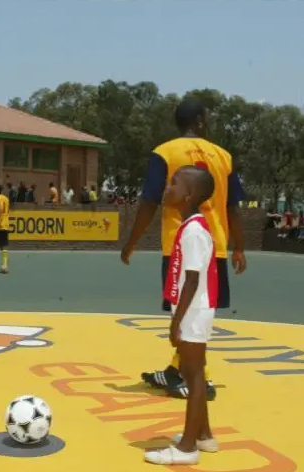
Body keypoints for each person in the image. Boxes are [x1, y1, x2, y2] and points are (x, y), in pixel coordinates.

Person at [121, 98, 246, 401]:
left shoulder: (164, 152)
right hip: (212, 244)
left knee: (185, 312)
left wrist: (132, 240)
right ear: (200, 121)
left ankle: (199, 377)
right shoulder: (223, 156)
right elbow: (233, 206)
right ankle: (178, 369)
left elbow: (150, 201)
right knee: (194, 310)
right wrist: (239, 247)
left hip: (180, 244)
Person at [144, 165, 219, 466]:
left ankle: (188, 448)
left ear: (188, 195)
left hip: (193, 312)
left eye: (173, 184)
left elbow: (190, 279)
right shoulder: (192, 228)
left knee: (194, 374)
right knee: (193, 371)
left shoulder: (194, 231)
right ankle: (204, 435)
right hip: (193, 310)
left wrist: (175, 323)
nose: (167, 189)